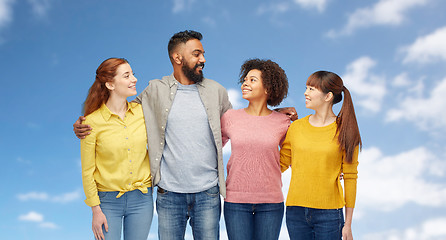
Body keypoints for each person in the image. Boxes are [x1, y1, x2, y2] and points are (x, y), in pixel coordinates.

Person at [74, 30, 297, 240]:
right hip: (169, 194)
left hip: (208, 195)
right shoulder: (155, 90)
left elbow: (242, 122)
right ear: (178, 57)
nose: (203, 59)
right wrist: (84, 123)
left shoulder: (216, 91)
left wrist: (274, 113)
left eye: (203, 54)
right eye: (196, 54)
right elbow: (121, 110)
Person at [280, 71, 361, 240]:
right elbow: (279, 164)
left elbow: (350, 178)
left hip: (330, 214)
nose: (305, 93)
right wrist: (273, 115)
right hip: (295, 211)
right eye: (306, 88)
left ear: (328, 96)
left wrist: (348, 224)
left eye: (311, 89)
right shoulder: (296, 128)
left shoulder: (346, 131)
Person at [80, 58, 153, 240]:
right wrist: (95, 210)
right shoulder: (91, 123)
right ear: (110, 84)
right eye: (127, 76)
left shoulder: (143, 113)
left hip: (142, 199)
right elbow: (88, 171)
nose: (134, 79)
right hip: (107, 203)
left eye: (133, 74)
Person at [221, 59, 290, 240]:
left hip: (271, 202)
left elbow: (293, 154)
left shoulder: (282, 122)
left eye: (252, 80)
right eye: (245, 79)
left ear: (267, 88)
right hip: (235, 201)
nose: (245, 83)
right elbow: (211, 147)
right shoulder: (230, 117)